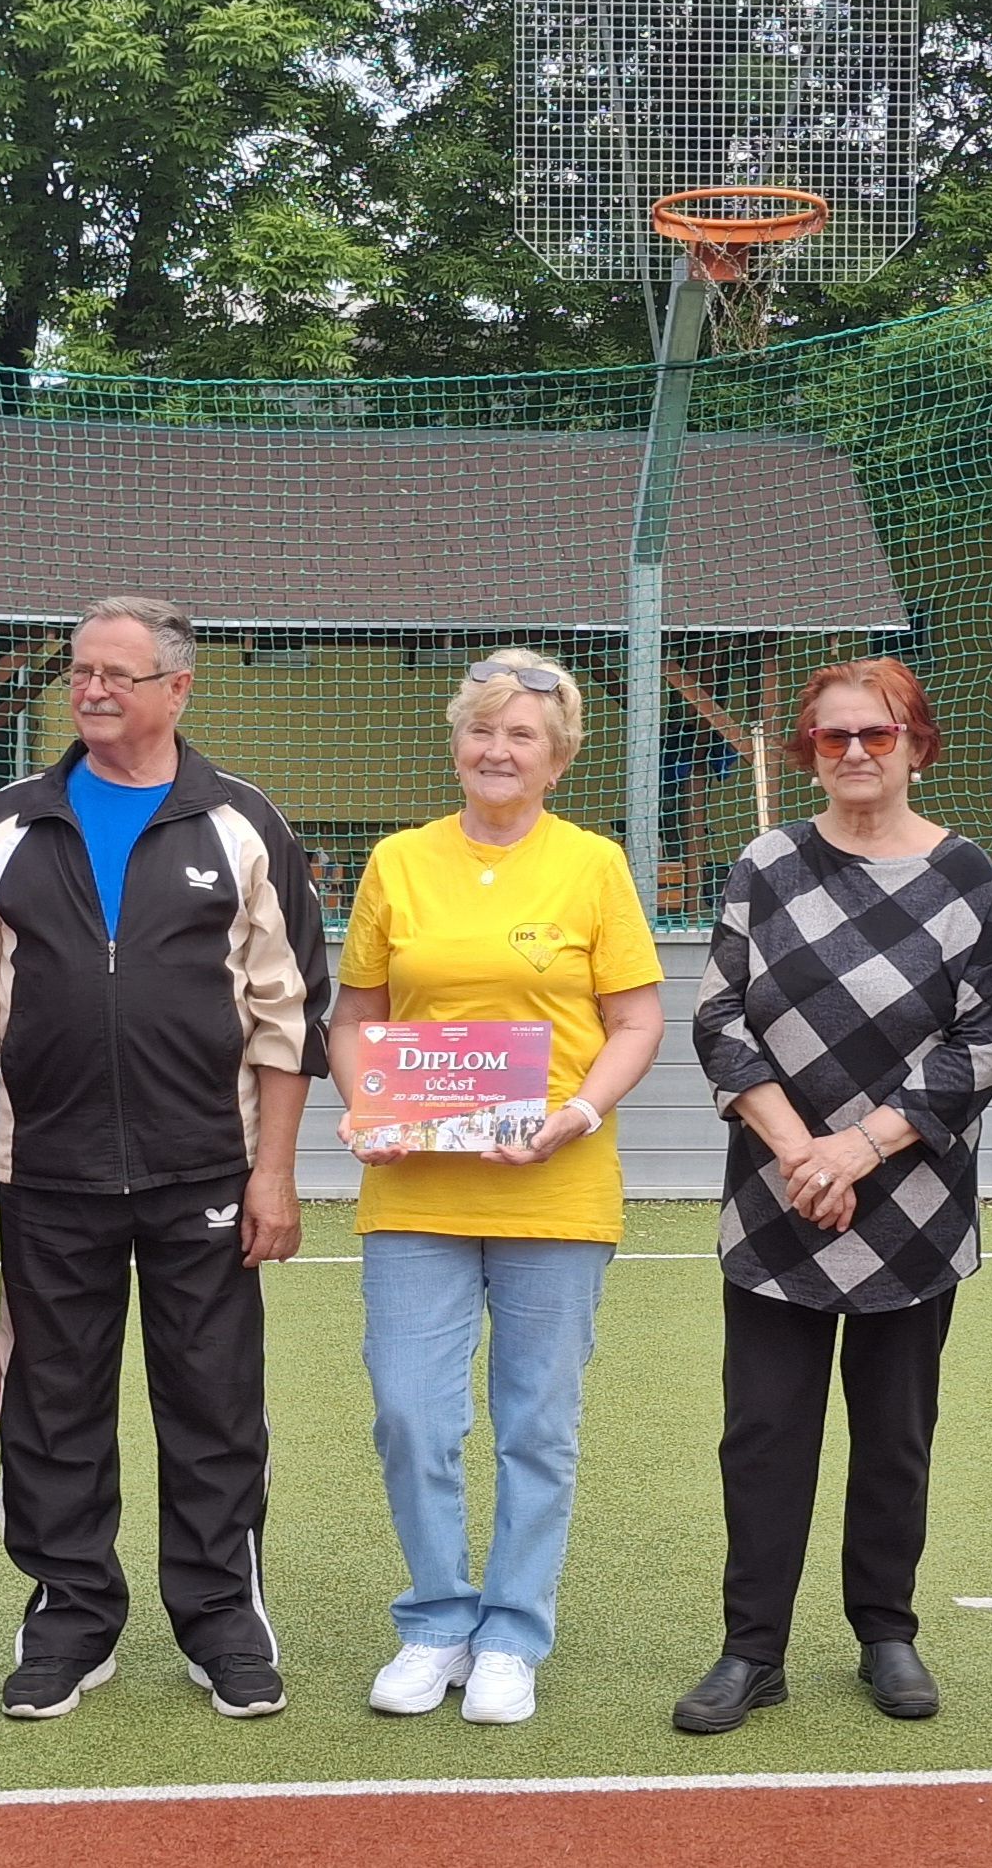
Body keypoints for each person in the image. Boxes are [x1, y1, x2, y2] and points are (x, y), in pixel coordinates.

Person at [0, 596, 332, 1724]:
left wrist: (274, 1173)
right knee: (52, 1408)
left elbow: (289, 1016)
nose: (92, 690)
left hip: (207, 1175)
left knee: (213, 1407)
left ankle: (220, 1618)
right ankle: (68, 1618)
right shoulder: (8, 826)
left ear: (176, 689)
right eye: (80, 671)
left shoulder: (241, 823)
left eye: (118, 674)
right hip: (47, 1177)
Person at [676, 657, 992, 1736]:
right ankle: (751, 1650)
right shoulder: (765, 864)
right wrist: (800, 1156)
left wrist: (857, 1152)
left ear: (917, 745)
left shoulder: (964, 875)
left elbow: (981, 1042)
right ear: (808, 754)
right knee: (762, 1434)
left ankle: (885, 1633)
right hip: (776, 1200)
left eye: (878, 734)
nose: (857, 753)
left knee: (894, 1436)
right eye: (834, 737)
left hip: (910, 1208)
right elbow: (719, 1021)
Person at [326, 650, 663, 1727]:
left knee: (535, 1428)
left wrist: (580, 1113)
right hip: (415, 1192)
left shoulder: (593, 866)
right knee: (410, 1417)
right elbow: (353, 1018)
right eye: (482, 730)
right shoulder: (397, 862)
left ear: (557, 761)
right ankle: (434, 1620)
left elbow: (635, 1021)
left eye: (522, 736)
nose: (497, 750)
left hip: (554, 1190)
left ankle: (511, 1633)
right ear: (456, 744)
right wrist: (366, 1105)